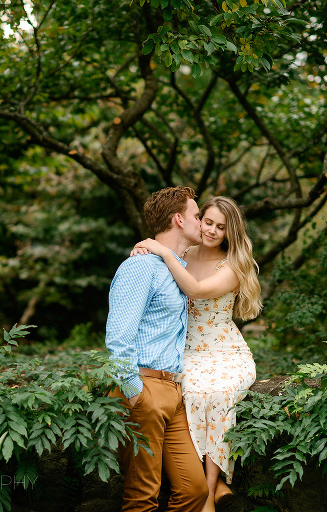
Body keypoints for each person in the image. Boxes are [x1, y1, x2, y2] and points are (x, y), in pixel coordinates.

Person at [131, 196, 263, 512]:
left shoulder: (231, 265)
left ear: (230, 232)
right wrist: (144, 249)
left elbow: (197, 290)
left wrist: (161, 250)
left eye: (222, 227)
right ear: (198, 219)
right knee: (186, 392)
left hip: (224, 351)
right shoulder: (183, 254)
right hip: (184, 350)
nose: (213, 230)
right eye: (208, 222)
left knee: (217, 393)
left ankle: (206, 493)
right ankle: (214, 484)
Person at [105, 186, 209, 512]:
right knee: (142, 498)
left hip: (174, 392)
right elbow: (119, 337)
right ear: (178, 219)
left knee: (194, 490)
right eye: (196, 215)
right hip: (144, 389)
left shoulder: (177, 269)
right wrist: (134, 393)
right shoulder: (140, 267)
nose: (203, 223)